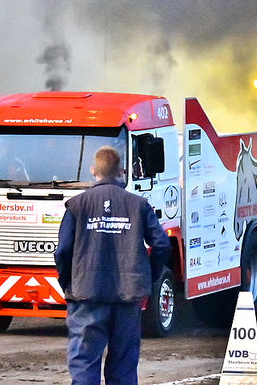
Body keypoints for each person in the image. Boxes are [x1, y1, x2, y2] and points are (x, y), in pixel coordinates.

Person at [55, 146, 171, 385]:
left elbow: (63, 251)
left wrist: (69, 284)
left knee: (85, 365)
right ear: (121, 171)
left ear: (92, 171)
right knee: (123, 369)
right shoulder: (138, 204)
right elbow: (162, 245)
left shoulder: (77, 205)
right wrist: (147, 277)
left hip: (86, 296)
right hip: (127, 299)